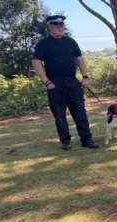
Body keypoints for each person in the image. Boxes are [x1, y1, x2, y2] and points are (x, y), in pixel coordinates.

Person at [32, 15, 99, 150]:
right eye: (56, 25)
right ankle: (65, 141)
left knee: (80, 112)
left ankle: (87, 139)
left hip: (72, 82)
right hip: (54, 84)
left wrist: (85, 77)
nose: (60, 27)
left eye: (62, 24)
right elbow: (36, 62)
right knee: (59, 114)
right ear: (49, 26)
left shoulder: (70, 42)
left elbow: (80, 59)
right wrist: (46, 81)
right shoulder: (43, 43)